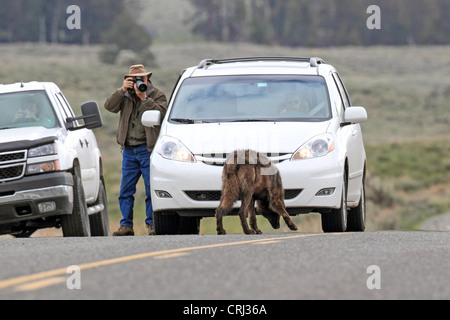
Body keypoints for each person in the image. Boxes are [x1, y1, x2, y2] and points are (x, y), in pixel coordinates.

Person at [105, 65, 168, 236]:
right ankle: (126, 225)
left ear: (148, 79)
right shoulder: (125, 95)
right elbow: (109, 106)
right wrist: (121, 90)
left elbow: (162, 114)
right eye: (136, 79)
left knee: (150, 188)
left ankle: (152, 224)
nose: (140, 82)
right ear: (129, 80)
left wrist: (144, 97)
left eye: (142, 78)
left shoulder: (158, 94)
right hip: (129, 150)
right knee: (126, 190)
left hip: (148, 149)